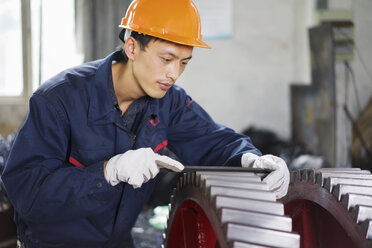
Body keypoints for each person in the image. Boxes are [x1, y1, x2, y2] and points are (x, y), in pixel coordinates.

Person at [1, 0, 290, 247]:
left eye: (184, 62)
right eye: (166, 58)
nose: (174, 73)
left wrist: (251, 159)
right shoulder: (59, 100)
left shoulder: (170, 102)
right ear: (131, 47)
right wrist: (108, 172)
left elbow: (214, 141)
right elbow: (28, 194)